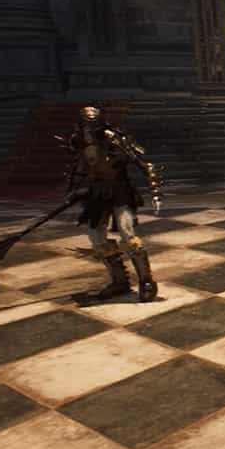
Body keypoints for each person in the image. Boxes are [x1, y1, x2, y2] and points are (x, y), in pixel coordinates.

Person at [63, 106, 162, 302]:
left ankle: (146, 281)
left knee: (127, 234)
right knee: (96, 238)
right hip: (97, 193)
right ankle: (119, 281)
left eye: (92, 125)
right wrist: (73, 190)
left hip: (120, 191)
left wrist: (155, 192)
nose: (89, 130)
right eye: (86, 126)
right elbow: (78, 168)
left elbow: (145, 165)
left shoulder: (114, 138)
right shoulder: (77, 141)